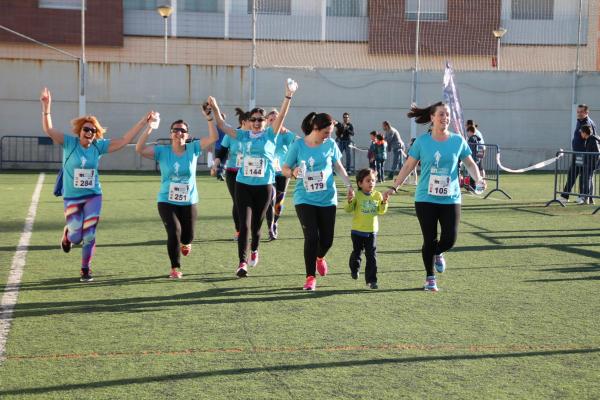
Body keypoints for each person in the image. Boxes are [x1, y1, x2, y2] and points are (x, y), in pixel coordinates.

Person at [40, 87, 151, 282]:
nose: (89, 132)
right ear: (80, 130)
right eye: (86, 129)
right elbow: (49, 130)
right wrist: (47, 107)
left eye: (93, 130)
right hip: (72, 196)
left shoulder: (98, 146)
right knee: (76, 236)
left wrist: (143, 122)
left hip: (93, 195)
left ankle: (85, 269)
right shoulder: (69, 143)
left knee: (89, 234)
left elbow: (124, 140)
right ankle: (68, 234)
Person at [384, 101, 484, 292]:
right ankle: (430, 278)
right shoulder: (422, 141)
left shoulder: (458, 141)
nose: (445, 118)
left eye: (447, 114)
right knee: (429, 239)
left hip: (451, 197)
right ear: (432, 118)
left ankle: (437, 253)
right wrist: (394, 187)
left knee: (450, 239)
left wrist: (478, 179)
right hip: (425, 199)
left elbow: (470, 164)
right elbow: (408, 166)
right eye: (441, 114)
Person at [209, 79, 296, 278]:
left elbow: (282, 114)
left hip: (264, 187)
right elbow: (222, 124)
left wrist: (288, 95)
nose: (257, 122)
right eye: (254, 119)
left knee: (256, 227)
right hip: (243, 185)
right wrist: (215, 107)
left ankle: (255, 249)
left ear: (266, 122)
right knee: (244, 225)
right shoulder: (242, 135)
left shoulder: (271, 135)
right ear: (249, 121)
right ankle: (242, 262)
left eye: (260, 119)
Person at [136, 104, 217, 279]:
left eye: (182, 130)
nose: (178, 133)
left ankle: (186, 243)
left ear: (187, 135)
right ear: (171, 133)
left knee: (188, 236)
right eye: (175, 130)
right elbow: (140, 149)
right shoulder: (162, 151)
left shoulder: (193, 148)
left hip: (189, 200)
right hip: (166, 199)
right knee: (174, 231)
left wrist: (209, 117)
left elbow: (213, 137)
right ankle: (175, 267)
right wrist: (150, 127)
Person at [282, 112, 355, 291]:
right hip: (304, 198)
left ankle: (320, 257)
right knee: (311, 237)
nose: (328, 136)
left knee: (327, 240)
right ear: (316, 128)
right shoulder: (298, 145)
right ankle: (310, 277)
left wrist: (349, 186)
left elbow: (338, 166)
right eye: (325, 133)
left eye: (330, 133)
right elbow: (284, 168)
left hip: (327, 198)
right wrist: (293, 173)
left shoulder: (330, 144)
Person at [211, 108, 251, 240]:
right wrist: (216, 164)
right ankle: (239, 231)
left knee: (251, 203)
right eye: (252, 120)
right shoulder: (231, 134)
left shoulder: (256, 136)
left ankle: (250, 228)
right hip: (233, 173)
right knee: (238, 202)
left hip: (251, 174)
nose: (256, 124)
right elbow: (221, 152)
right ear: (244, 122)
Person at [345, 168, 388, 289]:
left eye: (373, 180)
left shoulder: (377, 195)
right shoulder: (357, 195)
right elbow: (348, 209)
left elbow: (381, 211)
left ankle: (372, 280)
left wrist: (384, 202)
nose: (371, 183)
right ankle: (354, 269)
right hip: (357, 231)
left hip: (371, 232)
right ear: (360, 183)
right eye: (368, 180)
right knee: (357, 254)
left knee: (372, 256)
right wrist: (349, 200)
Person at [265, 108, 297, 240]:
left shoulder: (287, 134)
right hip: (269, 172)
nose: (273, 122)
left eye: (276, 119)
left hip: (283, 172)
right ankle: (270, 227)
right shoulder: (265, 133)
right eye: (271, 120)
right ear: (267, 121)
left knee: (279, 201)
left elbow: (298, 145)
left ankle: (275, 221)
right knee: (270, 199)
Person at [559, 104, 597, 205]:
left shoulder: (588, 123)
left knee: (585, 177)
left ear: (586, 112)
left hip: (584, 155)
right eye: (578, 111)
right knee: (572, 174)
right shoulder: (579, 122)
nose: (579, 113)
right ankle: (565, 196)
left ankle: (585, 198)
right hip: (577, 154)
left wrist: (588, 154)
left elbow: (591, 139)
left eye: (581, 112)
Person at [580, 125, 600, 205]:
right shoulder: (590, 139)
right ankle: (590, 199)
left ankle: (587, 198)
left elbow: (597, 152)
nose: (581, 134)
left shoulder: (592, 139)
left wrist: (592, 163)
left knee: (587, 180)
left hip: (591, 163)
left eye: (581, 132)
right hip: (590, 163)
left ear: (584, 133)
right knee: (589, 179)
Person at [465, 125, 485, 192]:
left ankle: (473, 186)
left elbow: (470, 149)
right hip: (478, 158)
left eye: (467, 132)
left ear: (470, 132)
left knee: (473, 172)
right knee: (477, 172)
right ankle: (475, 186)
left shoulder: (472, 139)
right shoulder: (478, 138)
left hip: (474, 158)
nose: (467, 134)